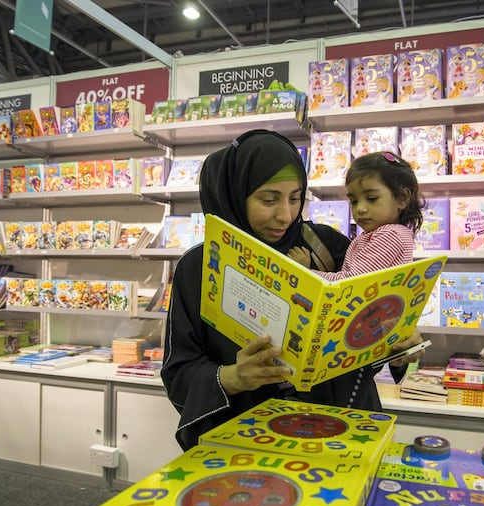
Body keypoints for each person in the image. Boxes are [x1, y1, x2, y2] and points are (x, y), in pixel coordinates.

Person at [161, 129, 425, 451]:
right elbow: (179, 370)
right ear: (235, 193)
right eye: (268, 199)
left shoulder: (330, 247)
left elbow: (365, 335)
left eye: (295, 198)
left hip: (338, 433)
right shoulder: (200, 267)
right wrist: (234, 376)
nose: (285, 215)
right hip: (246, 438)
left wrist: (399, 344)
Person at [289, 151, 424, 280]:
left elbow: (351, 283)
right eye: (354, 201)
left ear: (402, 198)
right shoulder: (382, 234)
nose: (360, 209)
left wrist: (306, 272)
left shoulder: (389, 237)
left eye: (372, 198)